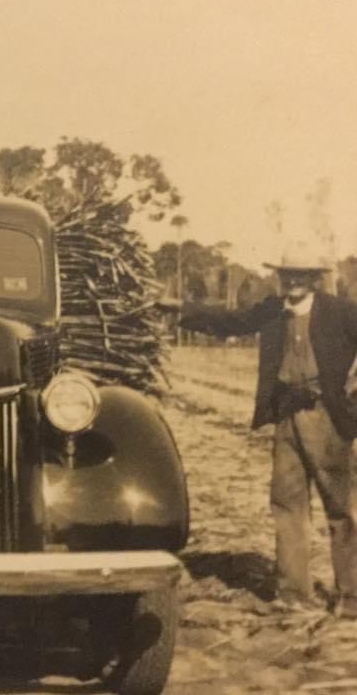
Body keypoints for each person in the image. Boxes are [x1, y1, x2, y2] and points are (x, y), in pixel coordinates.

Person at [160, 240, 357, 617]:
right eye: (288, 274)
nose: (294, 281)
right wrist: (180, 311)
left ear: (315, 279)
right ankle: (294, 594)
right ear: (280, 277)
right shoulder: (273, 311)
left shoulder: (340, 312)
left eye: (302, 275)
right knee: (287, 503)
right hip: (285, 416)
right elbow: (230, 322)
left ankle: (351, 597)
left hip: (327, 418)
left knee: (341, 508)